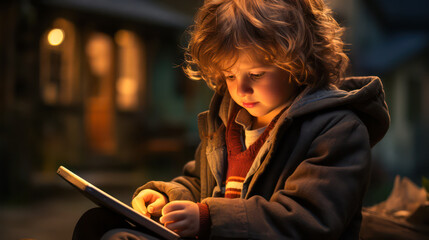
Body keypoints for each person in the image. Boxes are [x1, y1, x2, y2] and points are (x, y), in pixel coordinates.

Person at [73, 0, 390, 239]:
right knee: (109, 232)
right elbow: (200, 184)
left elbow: (310, 219)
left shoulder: (337, 129)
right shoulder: (229, 123)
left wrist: (209, 217)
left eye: (256, 74)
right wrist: (168, 198)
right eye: (228, 75)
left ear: (299, 62)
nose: (240, 89)